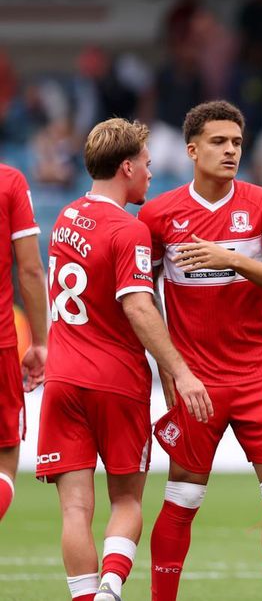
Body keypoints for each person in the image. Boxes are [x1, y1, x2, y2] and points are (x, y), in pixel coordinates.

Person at [37, 118, 210, 601]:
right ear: (127, 167)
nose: (152, 176)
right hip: (115, 380)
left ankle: (88, 598)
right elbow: (137, 304)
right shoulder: (128, 230)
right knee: (128, 498)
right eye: (148, 166)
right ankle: (113, 586)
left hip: (63, 378)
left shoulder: (66, 218)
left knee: (74, 510)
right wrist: (180, 370)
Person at [140, 101, 262, 601]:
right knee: (184, 497)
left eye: (236, 142)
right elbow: (140, 295)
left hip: (259, 374)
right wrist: (168, 365)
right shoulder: (158, 215)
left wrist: (228, 258)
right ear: (192, 150)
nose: (230, 150)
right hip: (197, 382)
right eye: (218, 141)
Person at [0, 160, 48, 524]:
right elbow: (30, 269)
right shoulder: (9, 181)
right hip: (2, 342)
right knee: (4, 459)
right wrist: (42, 342)